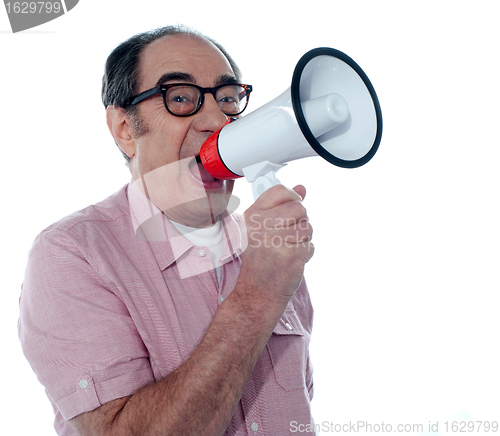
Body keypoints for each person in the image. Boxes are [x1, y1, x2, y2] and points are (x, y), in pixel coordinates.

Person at [19, 25, 315, 435]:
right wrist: (256, 297)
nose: (216, 120)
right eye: (179, 97)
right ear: (125, 129)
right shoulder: (71, 254)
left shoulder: (269, 251)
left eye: (228, 99)